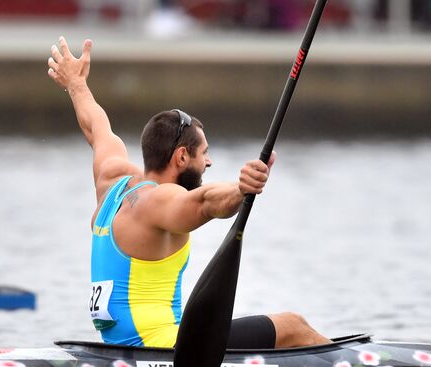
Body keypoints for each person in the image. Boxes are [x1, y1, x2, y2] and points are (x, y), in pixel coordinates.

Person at [47, 36, 331, 349]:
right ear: (182, 157)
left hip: (121, 345)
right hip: (162, 347)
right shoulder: (159, 201)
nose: (209, 161)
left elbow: (96, 126)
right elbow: (206, 202)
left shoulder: (112, 180)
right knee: (293, 326)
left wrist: (76, 83)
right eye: (204, 153)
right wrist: (241, 188)